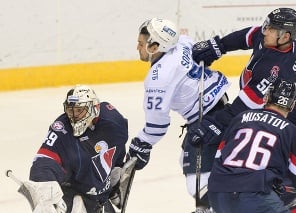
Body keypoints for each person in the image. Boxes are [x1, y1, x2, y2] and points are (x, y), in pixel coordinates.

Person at [189, 7, 296, 212]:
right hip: (269, 107)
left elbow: (242, 108)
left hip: (287, 118)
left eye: (271, 29)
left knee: (268, 160)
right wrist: (219, 45)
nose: (265, 31)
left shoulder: (278, 69)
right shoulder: (274, 38)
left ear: (286, 36)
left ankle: (283, 198)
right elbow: (249, 35)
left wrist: (212, 125)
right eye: (267, 26)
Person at [127, 17, 230, 212]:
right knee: (187, 158)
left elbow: (157, 126)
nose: (137, 48)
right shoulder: (182, 42)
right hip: (226, 107)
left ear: (155, 46)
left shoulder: (158, 79)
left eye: (141, 44)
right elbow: (190, 43)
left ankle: (216, 208)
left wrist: (141, 143)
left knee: (196, 184)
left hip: (207, 120)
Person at [207, 79, 296, 213]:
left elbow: (219, 157)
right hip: (253, 196)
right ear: (292, 105)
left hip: (217, 193)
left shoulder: (239, 119)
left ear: (266, 97)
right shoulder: (292, 132)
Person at [27, 85, 129, 213]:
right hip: (74, 197)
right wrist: (44, 183)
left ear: (95, 108)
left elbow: (119, 144)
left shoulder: (113, 121)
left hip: (100, 200)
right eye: (71, 110)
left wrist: (116, 178)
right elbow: (45, 160)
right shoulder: (61, 128)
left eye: (80, 110)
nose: (74, 116)